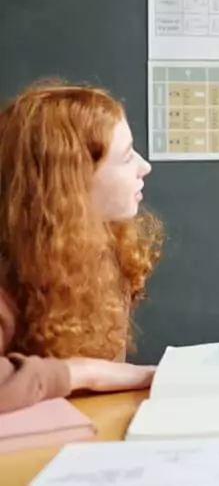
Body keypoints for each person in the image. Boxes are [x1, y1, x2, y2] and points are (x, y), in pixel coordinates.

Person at [0, 81, 162, 412]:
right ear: (72, 179)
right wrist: (82, 372)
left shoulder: (105, 244)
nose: (144, 167)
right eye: (127, 155)